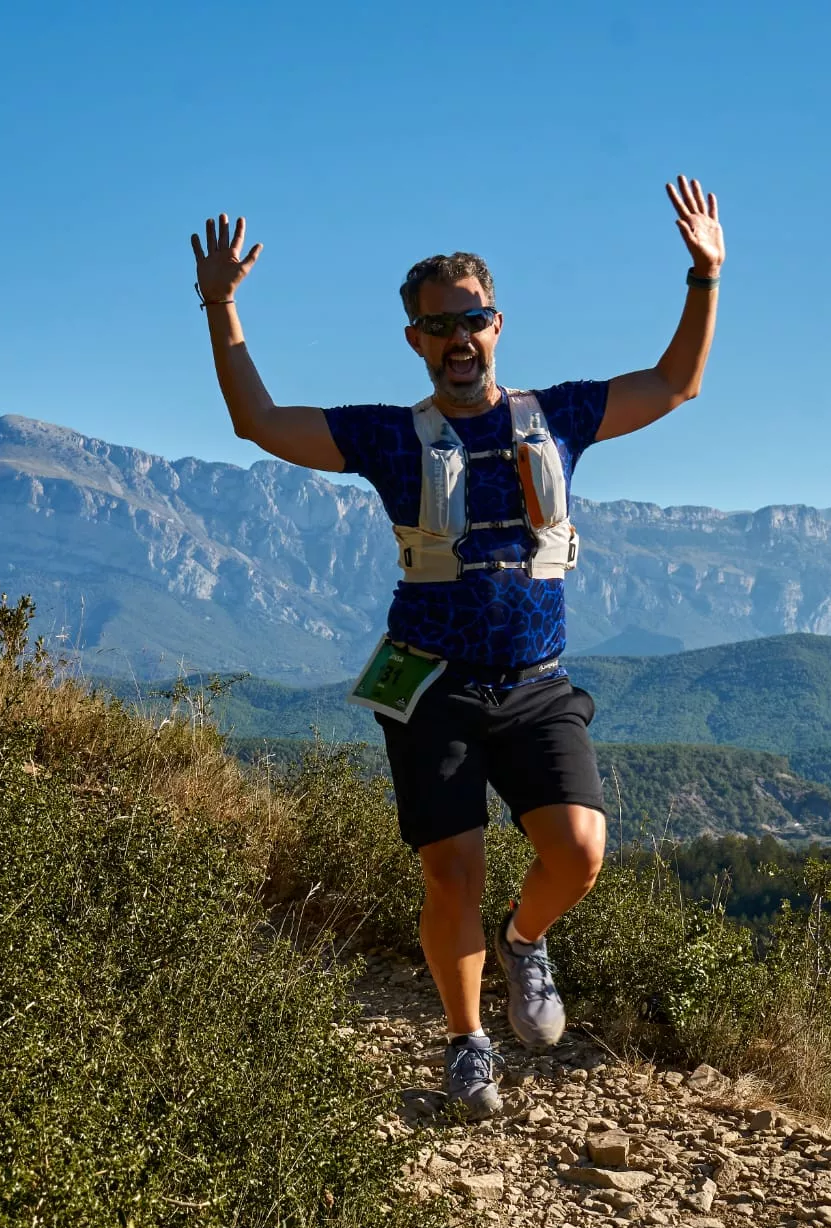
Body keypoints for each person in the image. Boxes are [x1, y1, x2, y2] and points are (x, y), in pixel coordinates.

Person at [192, 177, 724, 1116]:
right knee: (452, 874)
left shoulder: (557, 416)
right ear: (415, 341)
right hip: (430, 682)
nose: (459, 339)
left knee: (581, 852)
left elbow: (676, 384)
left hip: (537, 683)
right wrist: (223, 306)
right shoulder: (392, 439)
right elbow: (260, 424)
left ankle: (527, 942)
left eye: (472, 319)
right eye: (439, 326)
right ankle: (468, 1041)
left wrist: (703, 275)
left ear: (497, 325)